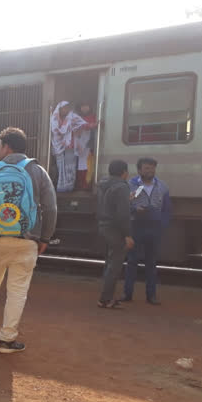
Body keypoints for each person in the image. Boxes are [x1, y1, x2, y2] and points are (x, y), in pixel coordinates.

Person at [0, 127, 57, 354]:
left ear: (7, 147)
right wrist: (45, 237)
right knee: (17, 292)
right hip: (27, 240)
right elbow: (51, 207)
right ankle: (7, 340)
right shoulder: (38, 171)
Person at [123, 157, 171, 305]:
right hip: (136, 226)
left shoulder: (162, 187)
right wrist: (134, 209)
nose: (150, 171)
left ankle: (151, 296)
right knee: (132, 262)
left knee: (151, 263)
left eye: (152, 168)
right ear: (139, 170)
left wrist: (162, 225)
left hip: (154, 228)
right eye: (146, 168)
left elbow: (167, 209)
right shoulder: (131, 185)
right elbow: (124, 205)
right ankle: (127, 294)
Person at [97, 160, 135, 309]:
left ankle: (106, 297)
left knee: (109, 263)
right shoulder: (122, 187)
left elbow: (108, 205)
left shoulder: (104, 184)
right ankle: (105, 299)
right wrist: (128, 235)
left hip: (104, 226)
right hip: (115, 229)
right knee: (115, 265)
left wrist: (127, 200)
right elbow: (123, 214)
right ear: (124, 172)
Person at [50, 101, 97, 192]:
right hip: (58, 147)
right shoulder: (54, 118)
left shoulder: (72, 117)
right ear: (59, 109)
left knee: (70, 167)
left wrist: (94, 125)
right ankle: (61, 187)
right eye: (63, 108)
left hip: (70, 147)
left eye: (67, 107)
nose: (65, 110)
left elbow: (84, 125)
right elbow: (55, 131)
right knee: (61, 168)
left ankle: (69, 187)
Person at [74, 103, 98, 190]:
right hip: (80, 145)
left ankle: (87, 185)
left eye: (86, 105)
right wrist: (91, 125)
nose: (84, 108)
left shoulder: (94, 116)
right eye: (82, 106)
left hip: (90, 145)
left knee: (88, 165)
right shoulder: (76, 117)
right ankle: (82, 185)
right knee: (81, 166)